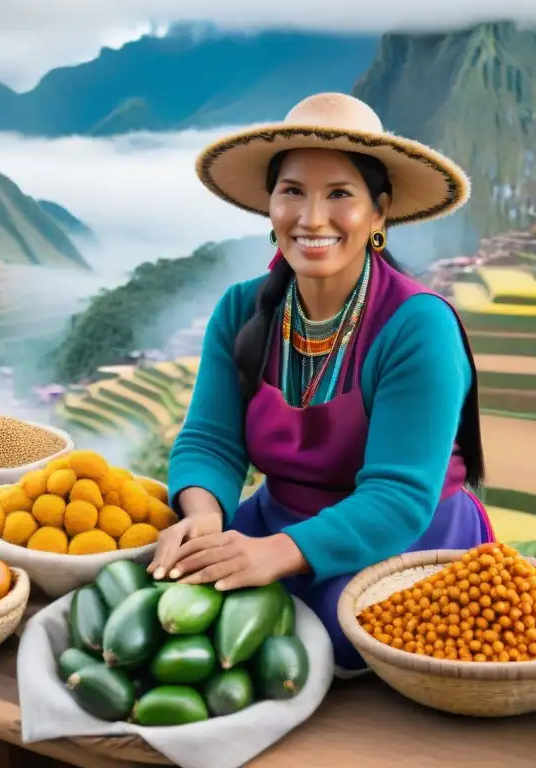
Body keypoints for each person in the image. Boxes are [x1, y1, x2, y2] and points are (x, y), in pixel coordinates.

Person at [148, 93, 495, 672]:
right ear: (269, 206)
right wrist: (204, 514)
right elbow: (211, 440)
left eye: (339, 194)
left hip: (400, 544)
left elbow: (398, 498)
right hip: (274, 523)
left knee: (319, 640)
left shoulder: (419, 326)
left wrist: (278, 556)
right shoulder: (240, 310)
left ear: (378, 212)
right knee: (170, 605)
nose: (311, 219)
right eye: (292, 192)